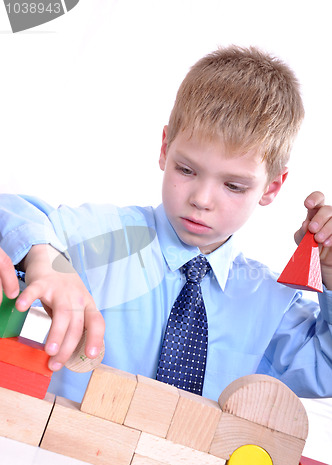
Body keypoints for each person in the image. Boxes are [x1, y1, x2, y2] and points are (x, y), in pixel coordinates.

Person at [0, 46, 331, 403]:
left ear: (272, 188)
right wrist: (43, 261)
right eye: (186, 170)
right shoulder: (106, 237)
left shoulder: (268, 300)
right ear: (165, 147)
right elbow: (14, 213)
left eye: (234, 186)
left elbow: (324, 370)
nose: (202, 199)